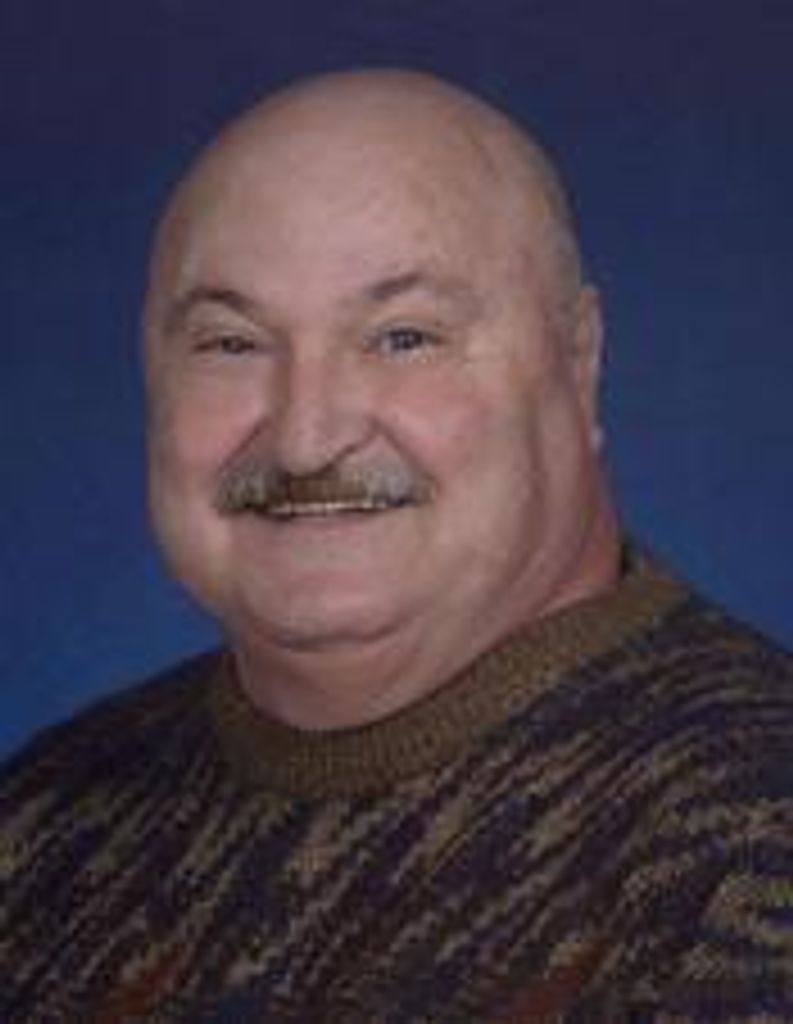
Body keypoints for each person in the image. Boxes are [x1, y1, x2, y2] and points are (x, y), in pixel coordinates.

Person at [2, 69, 792, 1023]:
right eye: (231, 344)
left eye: (403, 336)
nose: (305, 437)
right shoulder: (44, 818)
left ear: (578, 361)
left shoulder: (750, 850)